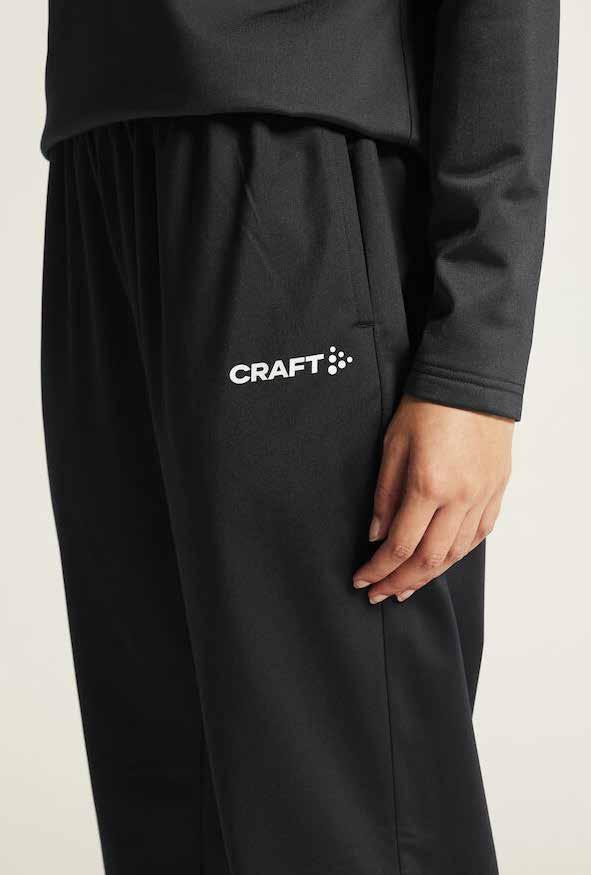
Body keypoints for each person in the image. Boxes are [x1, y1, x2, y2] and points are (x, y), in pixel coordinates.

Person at [40, 2, 559, 873]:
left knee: (344, 817)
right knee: (164, 806)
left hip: (288, 165)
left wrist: (476, 350)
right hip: (99, 163)